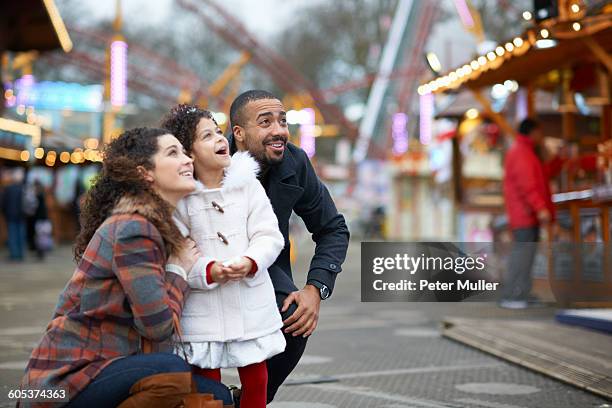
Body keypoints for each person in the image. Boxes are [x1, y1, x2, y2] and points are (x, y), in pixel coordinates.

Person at [20, 127, 232, 407]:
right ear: (145, 173)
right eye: (173, 153)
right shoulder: (135, 228)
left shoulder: (156, 226)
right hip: (56, 385)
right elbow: (157, 327)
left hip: (104, 369)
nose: (187, 160)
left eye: (184, 151)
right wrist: (178, 271)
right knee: (169, 372)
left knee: (217, 395)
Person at [227, 90, 350, 402]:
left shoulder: (295, 161)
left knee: (294, 319)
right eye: (265, 122)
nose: (279, 130)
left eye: (282, 121)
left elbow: (333, 228)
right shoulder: (211, 159)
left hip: (266, 269)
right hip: (209, 267)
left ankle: (247, 402)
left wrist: (315, 288)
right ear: (239, 133)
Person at [161, 105, 285, 407]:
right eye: (207, 135)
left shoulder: (248, 186)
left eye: (219, 131)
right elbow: (175, 253)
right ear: (189, 153)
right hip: (202, 307)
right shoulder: (180, 198)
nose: (220, 138)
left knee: (257, 378)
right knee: (206, 382)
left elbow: (268, 234)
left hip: (250, 301)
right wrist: (208, 271)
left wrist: (251, 261)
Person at [501, 118, 558, 309]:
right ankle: (513, 295)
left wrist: (557, 159)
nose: (541, 136)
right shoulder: (521, 153)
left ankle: (521, 293)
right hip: (524, 213)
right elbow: (527, 185)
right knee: (522, 254)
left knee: (526, 254)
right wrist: (540, 207)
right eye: (539, 132)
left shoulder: (526, 152)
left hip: (525, 212)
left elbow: (540, 177)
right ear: (532, 132)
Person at [2, 168, 26, 261]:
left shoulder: (8, 189)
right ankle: (20, 254)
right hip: (21, 215)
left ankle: (14, 254)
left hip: (11, 215)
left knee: (12, 235)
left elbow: (4, 203)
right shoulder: (24, 188)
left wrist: (5, 213)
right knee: (21, 235)